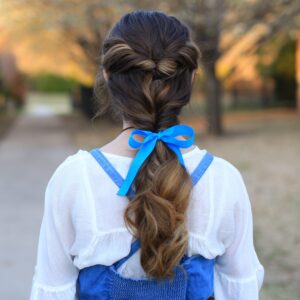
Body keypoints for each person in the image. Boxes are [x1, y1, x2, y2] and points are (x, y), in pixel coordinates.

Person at [30, 10, 264, 300]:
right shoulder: (222, 180)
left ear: (107, 76)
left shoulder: (75, 179)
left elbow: (52, 291)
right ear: (191, 79)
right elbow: (241, 289)